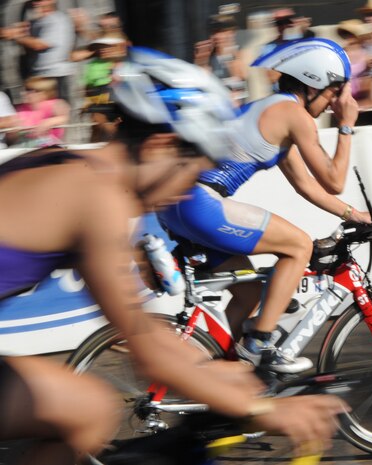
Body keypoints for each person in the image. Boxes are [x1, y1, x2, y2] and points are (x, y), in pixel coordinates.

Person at [0, 47, 346, 465]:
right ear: (161, 145)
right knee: (87, 409)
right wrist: (264, 409)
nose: (186, 192)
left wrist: (210, 374)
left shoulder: (67, 165)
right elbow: (147, 348)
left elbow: (142, 328)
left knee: (85, 411)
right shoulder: (98, 198)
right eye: (191, 170)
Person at [158, 38, 372, 374]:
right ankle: (259, 345)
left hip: (177, 204)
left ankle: (218, 379)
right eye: (333, 92)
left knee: (249, 295)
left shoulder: (272, 109)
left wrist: (354, 215)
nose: (334, 103)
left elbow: (307, 186)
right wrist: (346, 125)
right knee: (299, 245)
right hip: (198, 201)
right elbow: (334, 180)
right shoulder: (294, 115)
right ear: (312, 81)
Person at [3, 0, 75, 101]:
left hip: (55, 76)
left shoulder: (57, 20)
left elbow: (40, 44)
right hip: (40, 75)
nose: (35, 2)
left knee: (57, 110)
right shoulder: (38, 21)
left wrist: (15, 36)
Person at [193, 15, 248, 104]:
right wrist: (201, 61)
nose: (216, 36)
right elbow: (201, 83)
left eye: (221, 32)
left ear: (232, 33)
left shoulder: (241, 55)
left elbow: (241, 78)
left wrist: (228, 53)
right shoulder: (208, 56)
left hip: (240, 108)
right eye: (214, 32)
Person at [13, 76, 70, 147]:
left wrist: (50, 122)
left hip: (50, 145)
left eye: (29, 90)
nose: (24, 93)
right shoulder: (21, 108)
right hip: (26, 145)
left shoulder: (55, 104)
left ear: (44, 93)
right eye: (25, 89)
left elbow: (66, 117)